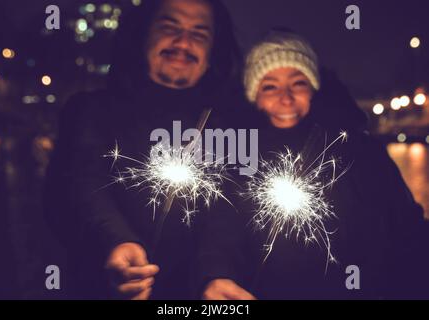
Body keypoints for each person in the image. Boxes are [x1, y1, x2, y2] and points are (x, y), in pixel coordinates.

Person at [199, 29, 428, 299]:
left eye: (298, 83)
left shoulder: (361, 152)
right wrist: (216, 274)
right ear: (253, 96)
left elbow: (407, 229)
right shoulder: (236, 157)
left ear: (314, 88)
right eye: (270, 86)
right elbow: (220, 230)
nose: (286, 98)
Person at [44, 0, 241, 299]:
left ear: (213, 51)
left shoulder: (227, 126)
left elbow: (226, 212)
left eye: (199, 34)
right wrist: (115, 241)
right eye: (169, 27)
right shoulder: (90, 110)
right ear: (142, 35)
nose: (183, 42)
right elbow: (80, 185)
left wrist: (214, 275)